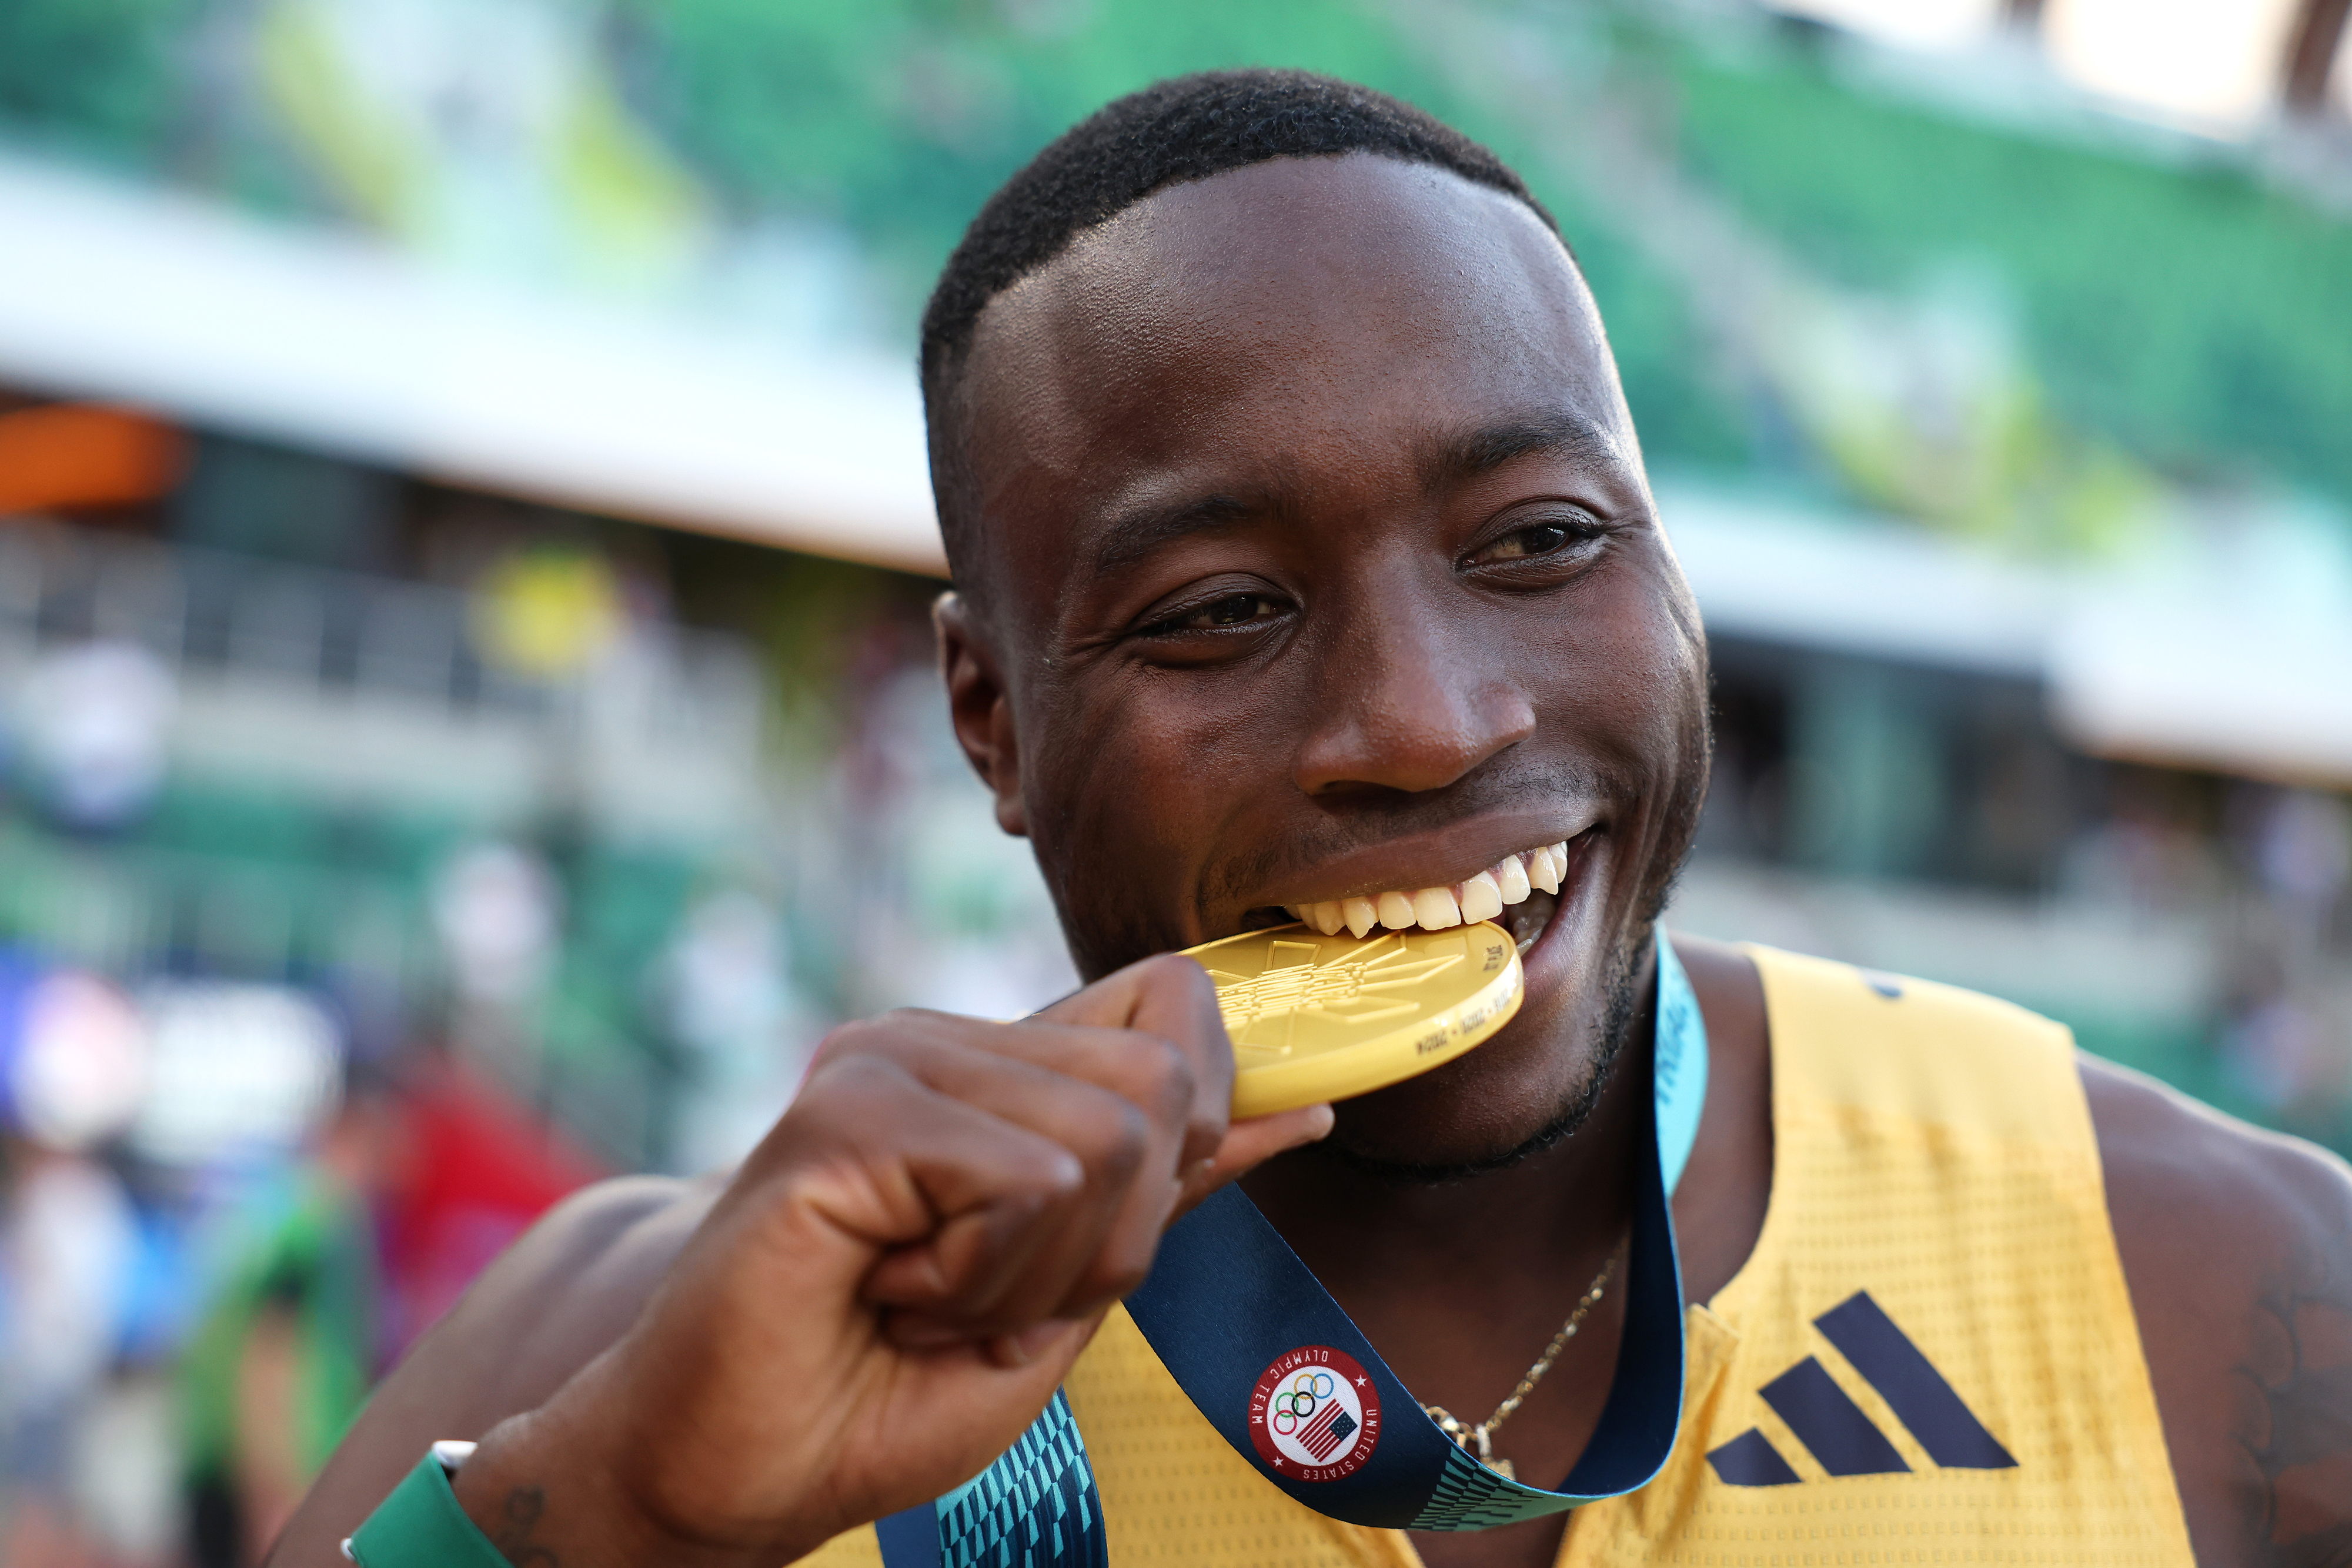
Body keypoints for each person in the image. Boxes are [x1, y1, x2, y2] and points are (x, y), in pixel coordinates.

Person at [270, 71, 2352, 1568]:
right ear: (990, 721)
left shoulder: (2204, 1277)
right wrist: (615, 1524)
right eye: (1222, 611)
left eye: (1541, 538)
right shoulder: (627, 1366)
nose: (1430, 725)